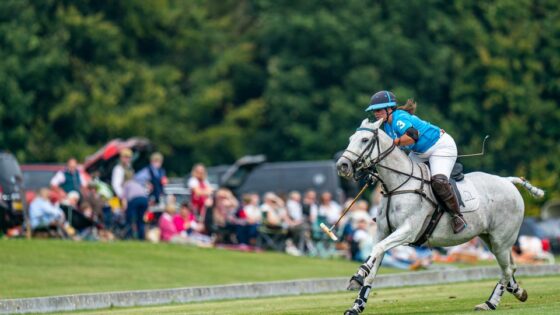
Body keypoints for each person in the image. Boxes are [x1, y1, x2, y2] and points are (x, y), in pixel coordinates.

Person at [365, 90, 467, 233]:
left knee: (438, 181)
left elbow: (413, 136)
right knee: (399, 176)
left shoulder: (398, 118)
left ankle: (457, 216)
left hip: (440, 146)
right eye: (374, 111)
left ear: (389, 109)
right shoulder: (387, 126)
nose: (376, 113)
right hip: (419, 152)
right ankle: (390, 214)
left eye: (379, 110)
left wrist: (395, 142)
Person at [121, 170, 149, 240]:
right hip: (144, 200)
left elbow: (124, 198)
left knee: (130, 219)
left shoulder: (126, 184)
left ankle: (128, 236)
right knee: (140, 219)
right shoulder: (137, 183)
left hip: (134, 200)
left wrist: (124, 209)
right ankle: (141, 237)